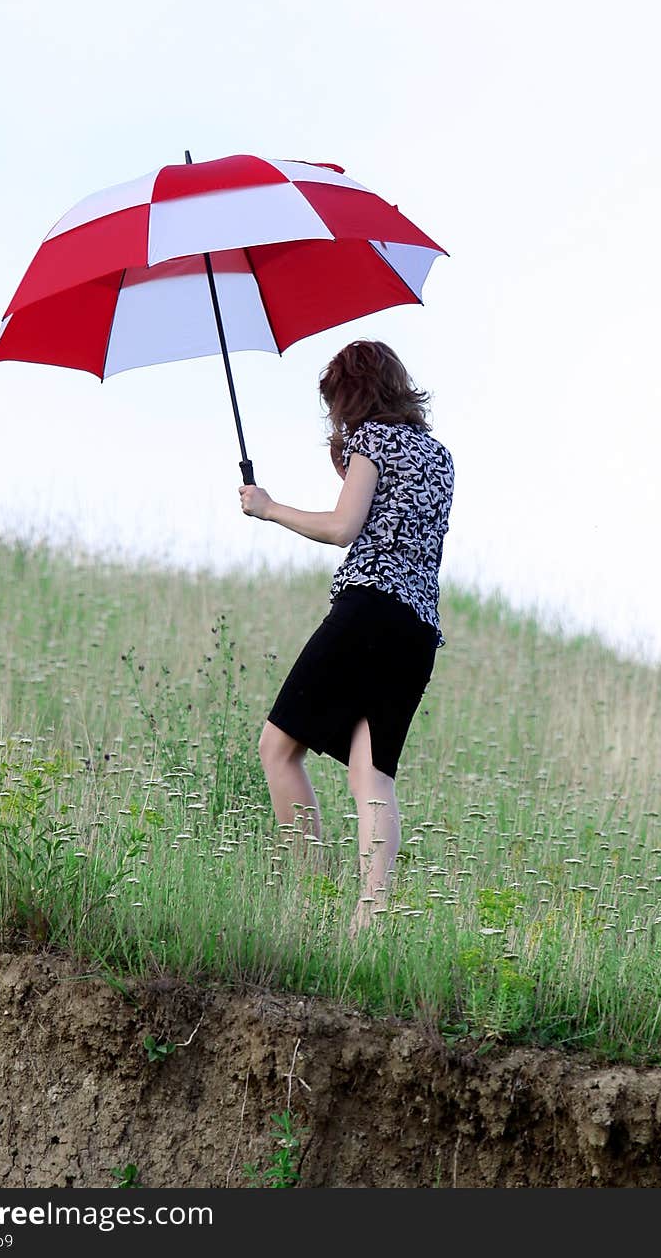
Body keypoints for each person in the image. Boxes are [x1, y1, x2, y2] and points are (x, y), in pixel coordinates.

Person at [239, 339, 455, 936]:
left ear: (353, 396)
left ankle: (309, 904)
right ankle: (369, 922)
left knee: (278, 748)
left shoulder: (373, 440)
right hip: (415, 634)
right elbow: (399, 519)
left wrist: (268, 506)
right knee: (372, 778)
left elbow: (342, 529)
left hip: (366, 613)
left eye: (337, 403)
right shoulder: (440, 458)